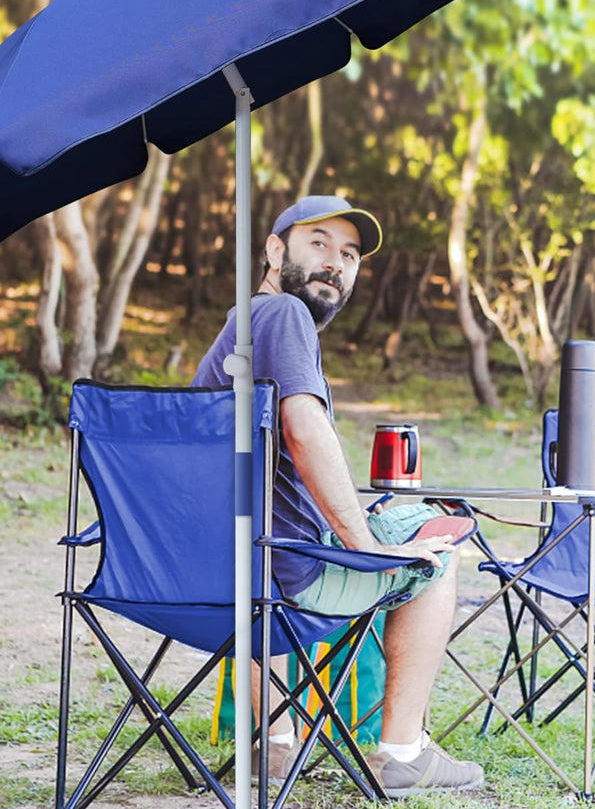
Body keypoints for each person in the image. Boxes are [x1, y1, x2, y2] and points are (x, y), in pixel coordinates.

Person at [192, 195, 484, 796]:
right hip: (293, 582)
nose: (335, 263)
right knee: (439, 549)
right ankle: (403, 752)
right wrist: (363, 543)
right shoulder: (284, 318)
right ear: (275, 251)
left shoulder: (237, 329)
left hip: (215, 579)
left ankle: (274, 741)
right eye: (318, 244)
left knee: (280, 546)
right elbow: (302, 427)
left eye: (348, 255)